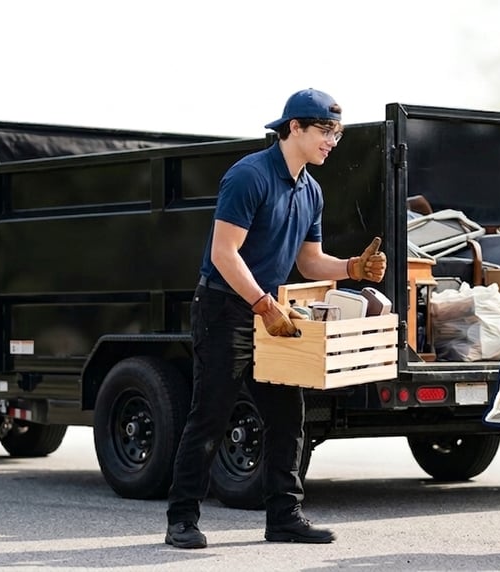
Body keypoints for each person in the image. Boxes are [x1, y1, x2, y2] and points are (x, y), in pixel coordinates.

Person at [164, 88, 387, 549]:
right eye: (326, 131)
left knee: (288, 417)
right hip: (226, 309)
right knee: (210, 415)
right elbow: (223, 254)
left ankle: (284, 517)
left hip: (272, 310)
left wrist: (351, 269)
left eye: (338, 133)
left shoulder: (311, 191)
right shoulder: (249, 176)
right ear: (294, 128)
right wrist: (263, 305)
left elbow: (310, 263)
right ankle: (181, 520)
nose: (333, 141)